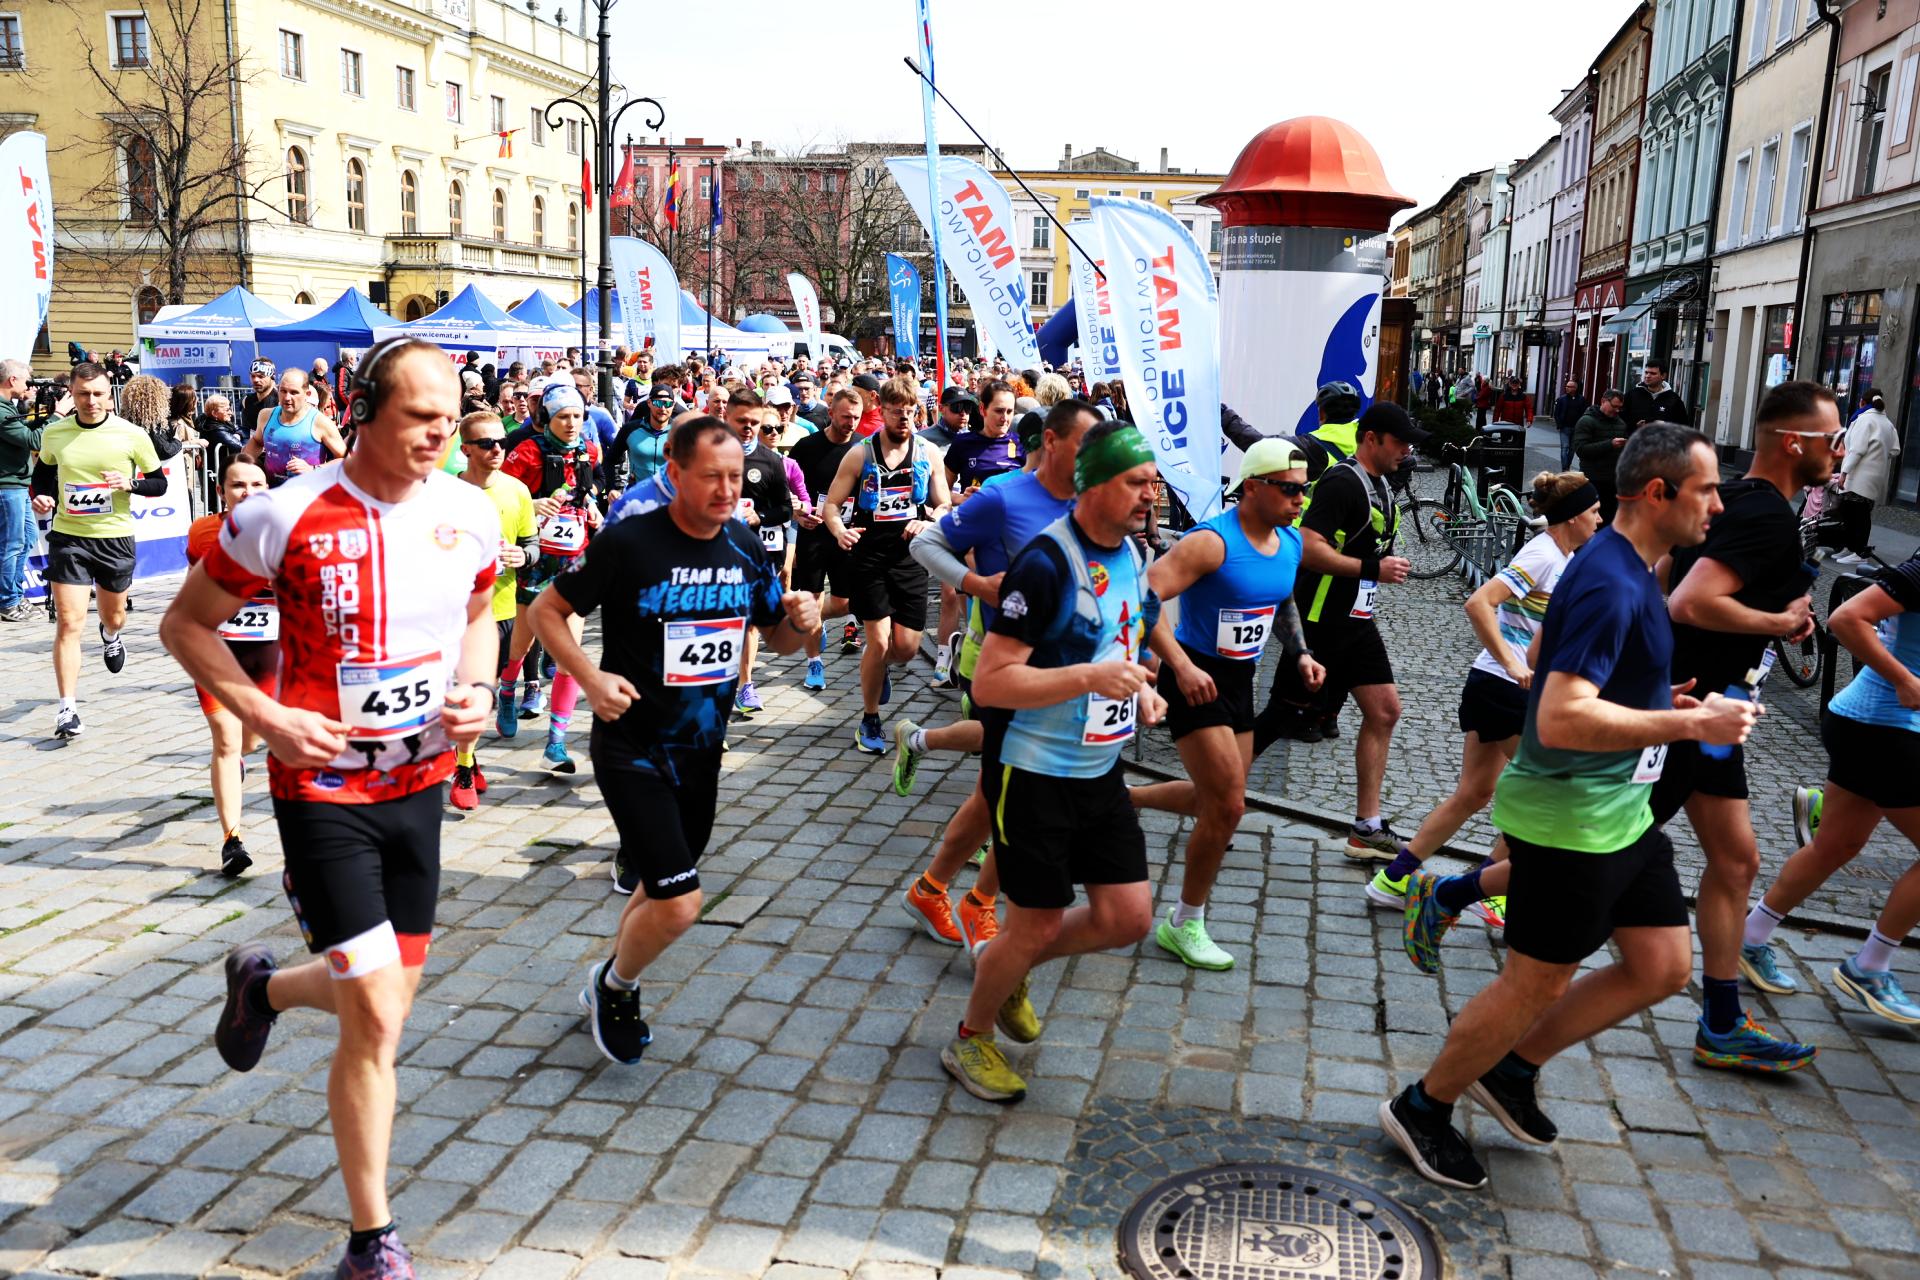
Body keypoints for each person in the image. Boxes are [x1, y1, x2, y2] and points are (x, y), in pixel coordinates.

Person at [162, 335, 501, 1279]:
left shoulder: (470, 512)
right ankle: (371, 1240)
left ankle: (263, 989)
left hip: (421, 785)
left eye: (450, 417)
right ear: (363, 413)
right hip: (321, 792)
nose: (441, 434)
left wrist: (478, 689)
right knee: (378, 1018)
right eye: (420, 416)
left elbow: (479, 617)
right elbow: (185, 624)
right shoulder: (283, 514)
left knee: (383, 997)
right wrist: (266, 715)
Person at [1380, 423, 1753, 1190]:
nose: (1718, 506)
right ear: (1659, 492)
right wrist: (1689, 725)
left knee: (1661, 965)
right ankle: (1423, 1106)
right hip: (1570, 821)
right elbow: (1557, 717)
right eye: (1709, 490)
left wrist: (1652, 698)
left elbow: (1551, 656)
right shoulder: (1612, 579)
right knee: (1535, 983)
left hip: (1623, 813)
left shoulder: (1619, 563)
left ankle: (1511, 1069)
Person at [529, 415, 818, 1059]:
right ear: (676, 473)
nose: (726, 490)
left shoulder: (744, 543)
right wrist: (591, 679)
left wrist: (803, 621)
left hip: (702, 752)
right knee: (682, 902)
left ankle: (612, 977)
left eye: (735, 477)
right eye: (711, 476)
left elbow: (777, 639)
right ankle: (616, 985)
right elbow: (547, 609)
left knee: (658, 887)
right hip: (631, 745)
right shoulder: (629, 542)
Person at [943, 421, 1165, 1104]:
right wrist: (1090, 680)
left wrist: (1144, 687)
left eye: (1153, 482)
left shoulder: (1132, 553)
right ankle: (970, 1037)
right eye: (1136, 482)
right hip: (1032, 773)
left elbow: (1127, 640)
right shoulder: (1045, 563)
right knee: (1035, 921)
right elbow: (991, 683)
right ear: (1093, 484)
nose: (1150, 495)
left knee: (1128, 917)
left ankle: (1006, 964)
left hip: (1099, 770)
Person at [1648, 380, 1838, 1073]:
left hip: (1713, 715)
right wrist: (1779, 621)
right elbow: (1689, 602)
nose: (1839, 451)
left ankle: (1722, 1023)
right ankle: (1450, 890)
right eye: (1832, 439)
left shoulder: (1732, 499)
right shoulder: (1765, 517)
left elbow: (1665, 573)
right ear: (1793, 442)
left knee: (1736, 861)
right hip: (1692, 713)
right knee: (1602, 847)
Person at [1366, 472, 1603, 941]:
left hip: (1495, 687)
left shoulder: (1565, 558)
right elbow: (1479, 602)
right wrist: (1513, 662)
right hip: (1505, 689)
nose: (1600, 519)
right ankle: (1490, 893)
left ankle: (1393, 880)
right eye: (1595, 511)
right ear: (1574, 516)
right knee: (1550, 793)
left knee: (1474, 793)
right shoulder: (1543, 554)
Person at [899, 399, 1094, 948]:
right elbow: (926, 542)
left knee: (997, 794)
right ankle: (979, 904)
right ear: (1051, 442)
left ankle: (935, 890)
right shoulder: (1003, 496)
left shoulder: (1092, 501)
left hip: (1068, 669)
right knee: (1024, 794)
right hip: (1005, 666)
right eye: (1086, 446)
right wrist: (975, 584)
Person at [1128, 439, 1326, 970]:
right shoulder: (1211, 543)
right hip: (1195, 677)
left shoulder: (1289, 542)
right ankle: (1185, 922)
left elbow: (1281, 599)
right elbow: (1144, 597)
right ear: (1253, 487)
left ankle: (1120, 800)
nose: (1300, 499)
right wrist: (1179, 666)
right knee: (1229, 806)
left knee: (1216, 800)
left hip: (1239, 682)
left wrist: (1301, 653)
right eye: (1289, 489)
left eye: (1303, 490)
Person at [1741, 550, 1920, 1026]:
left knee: (1834, 845)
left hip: (1870, 726)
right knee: (1834, 845)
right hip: (1887, 728)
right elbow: (1845, 618)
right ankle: (1870, 966)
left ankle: (1750, 936)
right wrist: (1905, 680)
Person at [1252, 402, 1428, 857]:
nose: (1407, 451)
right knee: (1280, 717)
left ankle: (1367, 827)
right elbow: (1310, 548)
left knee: (1385, 711)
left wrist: (1377, 566)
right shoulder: (1341, 482)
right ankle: (1211, 791)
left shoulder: (1380, 483)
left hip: (1356, 622)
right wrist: (1373, 568)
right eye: (1400, 442)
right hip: (1321, 623)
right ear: (1371, 438)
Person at [29, 362, 168, 739]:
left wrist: (131, 483)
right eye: (83, 394)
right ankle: (67, 709)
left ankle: (110, 634)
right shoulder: (55, 433)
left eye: (98, 394)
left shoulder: (131, 434)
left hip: (114, 538)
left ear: (110, 395)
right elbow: (42, 476)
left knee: (115, 615)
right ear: (71, 395)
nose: (91, 401)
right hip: (68, 537)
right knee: (69, 622)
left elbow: (159, 484)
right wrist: (41, 496)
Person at [822, 375, 953, 753]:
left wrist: (929, 520)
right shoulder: (860, 454)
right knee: (878, 642)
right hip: (869, 557)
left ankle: (877, 667)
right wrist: (839, 531)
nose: (904, 419)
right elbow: (831, 505)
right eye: (897, 412)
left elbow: (944, 504)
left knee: (907, 648)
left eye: (910, 412)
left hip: (911, 558)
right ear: (882, 411)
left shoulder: (928, 452)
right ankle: (870, 719)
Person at [499, 382, 605, 772]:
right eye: (563, 416)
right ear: (547, 417)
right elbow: (504, 498)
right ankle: (507, 691)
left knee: (568, 656)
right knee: (521, 646)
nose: (572, 423)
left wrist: (592, 506)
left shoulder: (588, 450)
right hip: (536, 562)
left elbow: (592, 484)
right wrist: (533, 503)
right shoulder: (527, 452)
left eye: (577, 416)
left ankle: (556, 743)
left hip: (573, 561)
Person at [183, 456, 276, 876]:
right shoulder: (203, 532)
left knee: (248, 741)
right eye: (238, 485)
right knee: (225, 737)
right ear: (221, 491)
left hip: (268, 653)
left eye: (257, 485)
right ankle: (232, 840)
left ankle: (239, 757)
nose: (248, 493)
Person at [448, 411, 538, 811]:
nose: (497, 449)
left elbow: (532, 544)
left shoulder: (517, 491)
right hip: (458, 612)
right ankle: (463, 768)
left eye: (501, 442)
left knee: (484, 693)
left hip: (503, 607)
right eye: (486, 443)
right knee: (471, 692)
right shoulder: (445, 494)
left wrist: (524, 555)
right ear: (466, 449)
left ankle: (466, 756)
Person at [789, 389, 863, 688]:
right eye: (845, 417)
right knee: (813, 596)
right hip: (814, 533)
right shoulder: (807, 447)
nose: (851, 423)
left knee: (845, 602)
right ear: (830, 413)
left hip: (847, 534)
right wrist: (797, 514)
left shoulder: (863, 448)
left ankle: (812, 620)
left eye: (856, 417)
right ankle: (814, 664)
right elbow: (788, 486)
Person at [726, 388, 792, 715]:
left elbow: (785, 509)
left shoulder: (771, 461)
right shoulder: (710, 454)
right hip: (716, 553)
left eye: (754, 422)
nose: (749, 428)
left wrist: (759, 516)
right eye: (742, 421)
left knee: (749, 622)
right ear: (727, 418)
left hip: (758, 552)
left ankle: (745, 685)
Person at [241, 369, 348, 485]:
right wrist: (243, 464)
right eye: (283, 391)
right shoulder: (266, 415)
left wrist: (313, 469)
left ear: (306, 394)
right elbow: (257, 441)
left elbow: (346, 459)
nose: (287, 397)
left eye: (294, 392)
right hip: (273, 492)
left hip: (308, 492)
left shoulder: (320, 422)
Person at [0, 358, 40, 622]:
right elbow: (33, 440)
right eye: (25, 380)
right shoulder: (1, 410)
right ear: (12, 379)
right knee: (11, 544)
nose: (28, 385)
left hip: (18, 484)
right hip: (8, 486)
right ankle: (7, 601)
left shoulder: (8, 407)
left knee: (27, 537)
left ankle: (15, 594)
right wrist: (58, 415)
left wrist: (35, 411)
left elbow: (25, 431)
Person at [1837, 391, 1901, 535]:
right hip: (1875, 478)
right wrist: (1877, 456)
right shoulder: (1887, 423)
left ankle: (1855, 549)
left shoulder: (1864, 420)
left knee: (1852, 517)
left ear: (1862, 402)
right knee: (1862, 515)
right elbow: (1895, 450)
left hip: (1857, 477)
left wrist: (1844, 473)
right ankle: (1855, 545)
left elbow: (1857, 450)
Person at [945, 380, 1024, 491]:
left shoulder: (1022, 445)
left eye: (1009, 411)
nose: (1005, 418)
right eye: (999, 411)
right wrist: (961, 498)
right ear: (982, 409)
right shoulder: (962, 443)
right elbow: (941, 492)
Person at [1573, 390, 1630, 522]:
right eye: (1614, 406)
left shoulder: (1620, 423)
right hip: (1593, 479)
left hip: (1613, 480)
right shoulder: (1586, 421)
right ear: (1603, 401)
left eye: (1620, 408)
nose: (1617, 410)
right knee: (1592, 519)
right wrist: (1610, 444)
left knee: (1610, 518)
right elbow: (1581, 450)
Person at [1625, 359, 1689, 431]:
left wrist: (1664, 426)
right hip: (1636, 437)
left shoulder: (1674, 399)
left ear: (1663, 376)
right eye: (1646, 372)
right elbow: (1622, 421)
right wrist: (1635, 426)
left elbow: (1683, 426)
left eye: (1653, 373)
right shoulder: (1632, 395)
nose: (1647, 376)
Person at [1553, 379, 1588, 471]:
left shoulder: (1581, 399)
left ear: (1575, 388)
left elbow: (1584, 413)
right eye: (1566, 386)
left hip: (1577, 428)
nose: (1567, 388)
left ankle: (1567, 466)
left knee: (1572, 449)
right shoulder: (1561, 399)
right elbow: (1556, 413)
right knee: (1564, 448)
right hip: (1564, 428)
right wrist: (1559, 425)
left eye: (1569, 386)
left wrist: (1582, 427)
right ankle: (1564, 469)